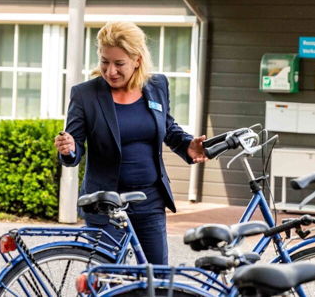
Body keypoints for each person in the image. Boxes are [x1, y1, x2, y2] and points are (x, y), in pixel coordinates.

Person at [54, 21, 207, 265]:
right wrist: (69, 149)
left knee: (156, 278)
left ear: (137, 60)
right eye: (105, 62)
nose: (110, 71)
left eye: (119, 63)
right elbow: (74, 150)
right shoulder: (85, 95)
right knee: (109, 280)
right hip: (105, 204)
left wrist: (188, 145)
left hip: (149, 201)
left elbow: (167, 127)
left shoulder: (157, 86)